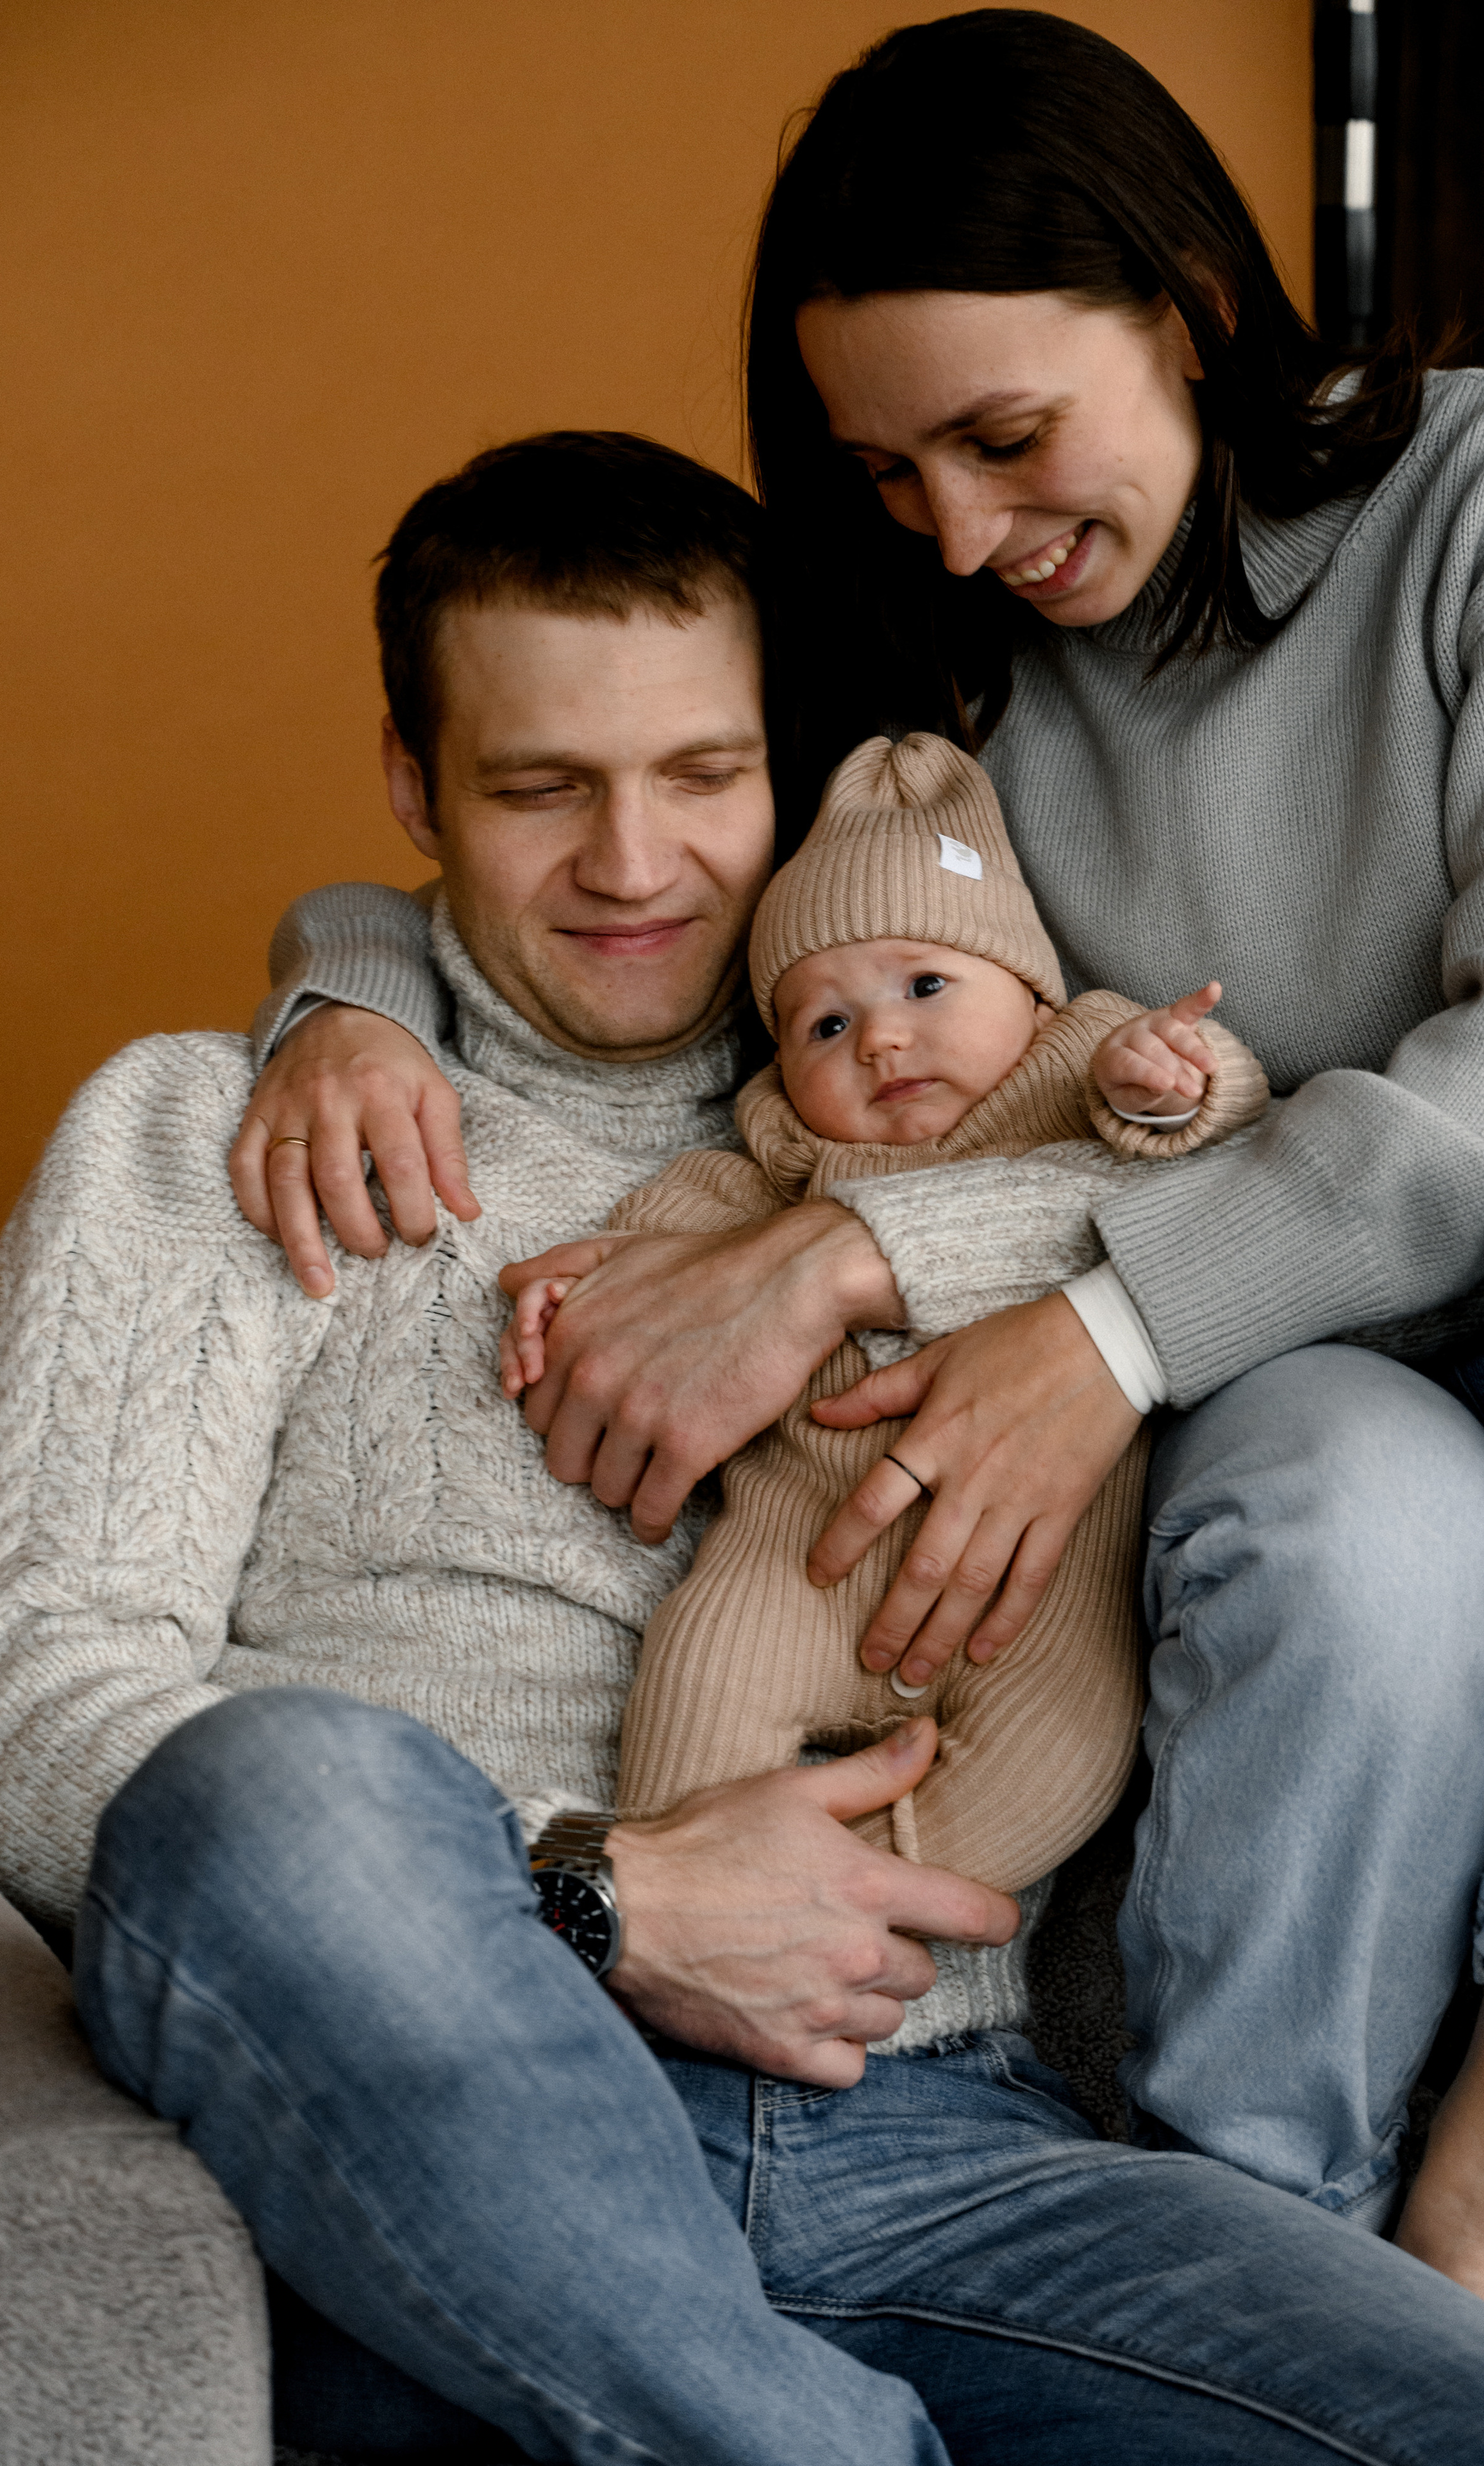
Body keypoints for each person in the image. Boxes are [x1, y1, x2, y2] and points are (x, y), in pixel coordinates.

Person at [0, 429, 1484, 2461]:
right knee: (268, 1795)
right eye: (539, 788)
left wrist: (841, 1249)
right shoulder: (223, 1138)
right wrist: (594, 1891)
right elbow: (28, 1701)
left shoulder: (969, 1092)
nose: (633, 867)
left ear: (790, 773)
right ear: (413, 788)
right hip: (458, 2115)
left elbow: (1282, 1195)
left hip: (938, 2139)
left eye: (702, 779)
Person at [233, 13, 1484, 2286]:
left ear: (1193, 292)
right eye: (892, 473)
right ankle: (1246, 2263)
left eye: (1007, 439)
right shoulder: (927, 654)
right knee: (1354, 1496)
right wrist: (341, 991)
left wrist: (1082, 1319)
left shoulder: (1469, 521)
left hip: (1319, 1356)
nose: (969, 534)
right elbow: (600, 834)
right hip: (1271, 1442)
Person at [503, 727, 1266, 1900]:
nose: (884, 1040)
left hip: (1038, 1594)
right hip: (792, 1562)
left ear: (1030, 990)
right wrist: (593, 1280)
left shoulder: (1077, 1085)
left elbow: (1218, 1147)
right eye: (826, 1025)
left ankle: (856, 1899)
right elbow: (682, 1242)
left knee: (1058, 1763)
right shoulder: (789, 1148)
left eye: (925, 986)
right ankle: (713, 1895)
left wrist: (1173, 1082)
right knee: (697, 1680)